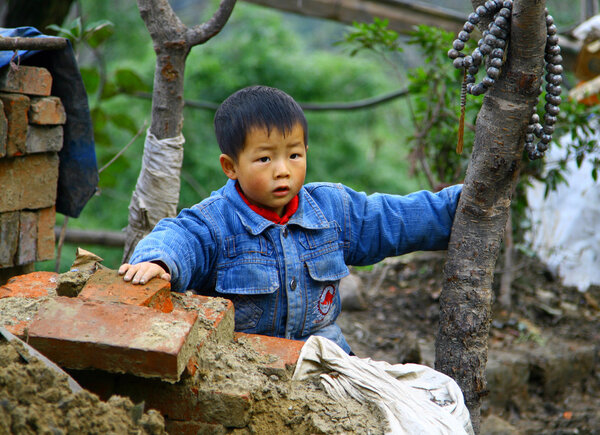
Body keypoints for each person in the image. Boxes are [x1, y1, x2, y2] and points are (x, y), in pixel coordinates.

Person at [119, 85, 461, 354]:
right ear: (231, 166)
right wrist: (159, 260)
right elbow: (180, 236)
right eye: (265, 158)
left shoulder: (331, 210)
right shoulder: (217, 222)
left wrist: (461, 203)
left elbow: (393, 219)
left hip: (326, 361)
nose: (283, 170)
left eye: (294, 155)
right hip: (246, 363)